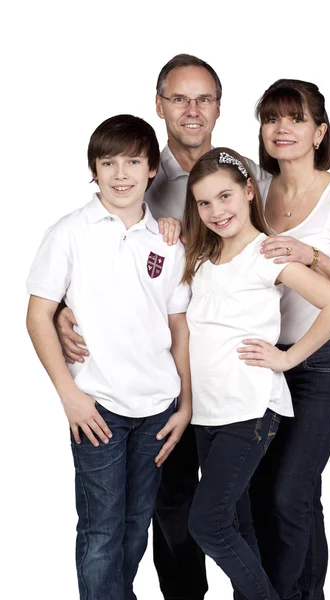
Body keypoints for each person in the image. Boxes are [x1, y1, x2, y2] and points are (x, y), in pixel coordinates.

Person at [55, 55, 330, 600]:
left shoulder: (255, 176)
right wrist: (62, 306)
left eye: (203, 98)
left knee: (282, 497)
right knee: (179, 501)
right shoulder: (139, 173)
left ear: (219, 109)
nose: (192, 110)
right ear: (159, 106)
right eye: (179, 98)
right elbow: (96, 253)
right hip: (186, 377)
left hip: (283, 368)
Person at [26, 114, 192, 600]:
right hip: (97, 407)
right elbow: (38, 317)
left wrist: (185, 403)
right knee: (101, 531)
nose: (121, 174)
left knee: (137, 526)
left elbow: (178, 327)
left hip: (158, 408)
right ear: (94, 171)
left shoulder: (166, 241)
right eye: (109, 162)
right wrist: (69, 396)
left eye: (134, 162)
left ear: (152, 170)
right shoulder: (69, 232)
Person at [182, 147, 330, 600]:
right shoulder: (200, 258)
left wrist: (287, 358)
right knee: (238, 523)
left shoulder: (267, 254)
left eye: (225, 196)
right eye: (204, 203)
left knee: (207, 523)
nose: (217, 211)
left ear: (248, 191)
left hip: (249, 410)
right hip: (207, 413)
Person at [248, 79, 330, 600]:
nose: (282, 129)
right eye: (272, 118)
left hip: (325, 365)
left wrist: (313, 257)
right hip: (264, 360)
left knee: (289, 493)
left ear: (319, 131)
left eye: (296, 119)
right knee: (278, 494)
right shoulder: (256, 185)